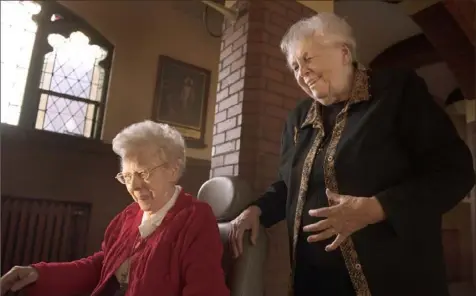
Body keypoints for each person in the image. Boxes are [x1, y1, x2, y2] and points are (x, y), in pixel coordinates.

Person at [230, 12, 475, 296]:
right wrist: (258, 210)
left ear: (344, 53)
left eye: (307, 59)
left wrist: (377, 208)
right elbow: (291, 185)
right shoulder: (298, 118)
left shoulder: (396, 92)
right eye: (295, 66)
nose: (301, 72)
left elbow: (455, 172)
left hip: (393, 279)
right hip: (312, 281)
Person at [0, 120, 229, 296]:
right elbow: (102, 267)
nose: (135, 186)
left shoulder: (195, 219)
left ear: (172, 169)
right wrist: (39, 273)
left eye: (143, 173)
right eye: (127, 176)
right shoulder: (129, 216)